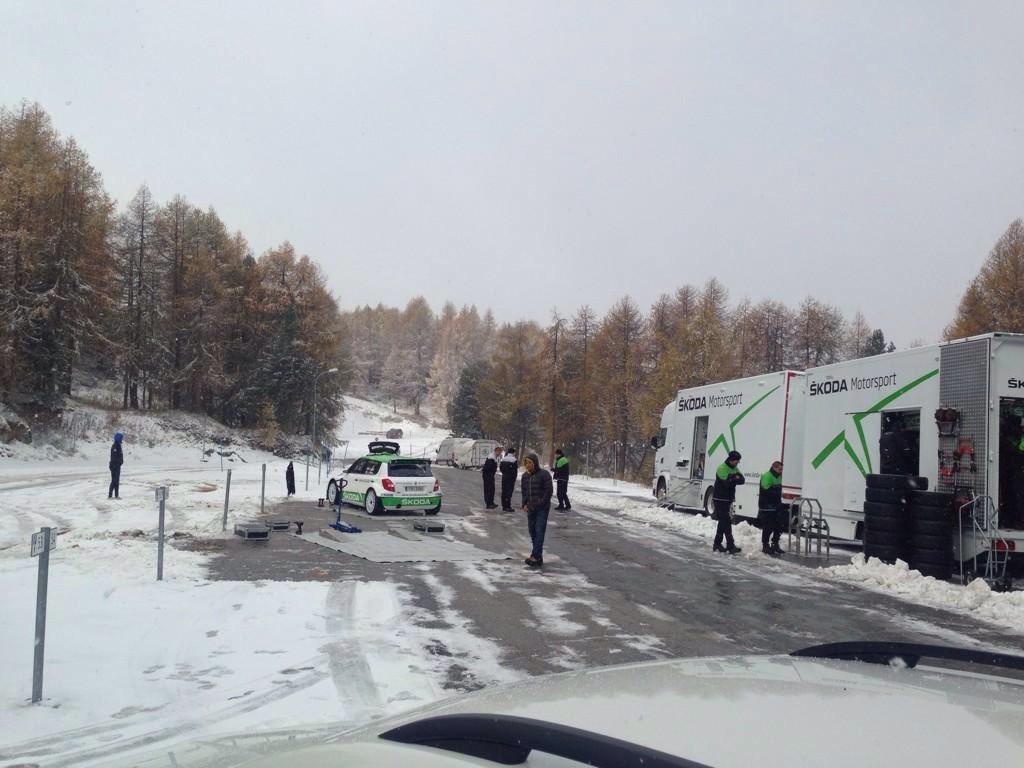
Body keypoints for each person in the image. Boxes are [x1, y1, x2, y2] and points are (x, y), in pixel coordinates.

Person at [521, 452, 553, 566]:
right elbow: (524, 492)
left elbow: (548, 491)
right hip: (531, 508)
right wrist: (524, 503)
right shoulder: (525, 476)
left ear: (535, 463)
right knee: (532, 530)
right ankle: (537, 556)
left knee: (539, 530)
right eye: (526, 463)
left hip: (542, 508)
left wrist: (541, 502)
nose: (528, 465)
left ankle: (535, 555)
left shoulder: (544, 474)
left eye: (530, 463)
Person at [712, 450, 744, 554]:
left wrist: (732, 478)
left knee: (723, 522)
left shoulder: (735, 468)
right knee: (726, 521)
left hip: (728, 498)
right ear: (731, 460)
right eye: (737, 460)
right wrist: (735, 477)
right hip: (719, 498)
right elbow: (726, 484)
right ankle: (730, 545)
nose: (738, 462)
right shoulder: (722, 468)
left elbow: (742, 480)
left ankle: (717, 544)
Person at [758, 460, 785, 555]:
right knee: (768, 526)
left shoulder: (779, 476)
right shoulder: (767, 476)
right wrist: (779, 491)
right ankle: (765, 545)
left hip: (776, 504)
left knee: (779, 525)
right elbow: (766, 490)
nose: (781, 471)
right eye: (780, 469)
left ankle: (775, 544)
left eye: (782, 469)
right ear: (774, 467)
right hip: (766, 505)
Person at [108, 431, 124, 499]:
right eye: (121, 438)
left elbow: (119, 455)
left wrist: (120, 462)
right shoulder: (115, 445)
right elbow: (114, 456)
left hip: (117, 465)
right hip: (114, 465)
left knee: (117, 481)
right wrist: (117, 462)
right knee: (114, 480)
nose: (122, 439)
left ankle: (116, 495)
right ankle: (110, 495)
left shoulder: (118, 445)